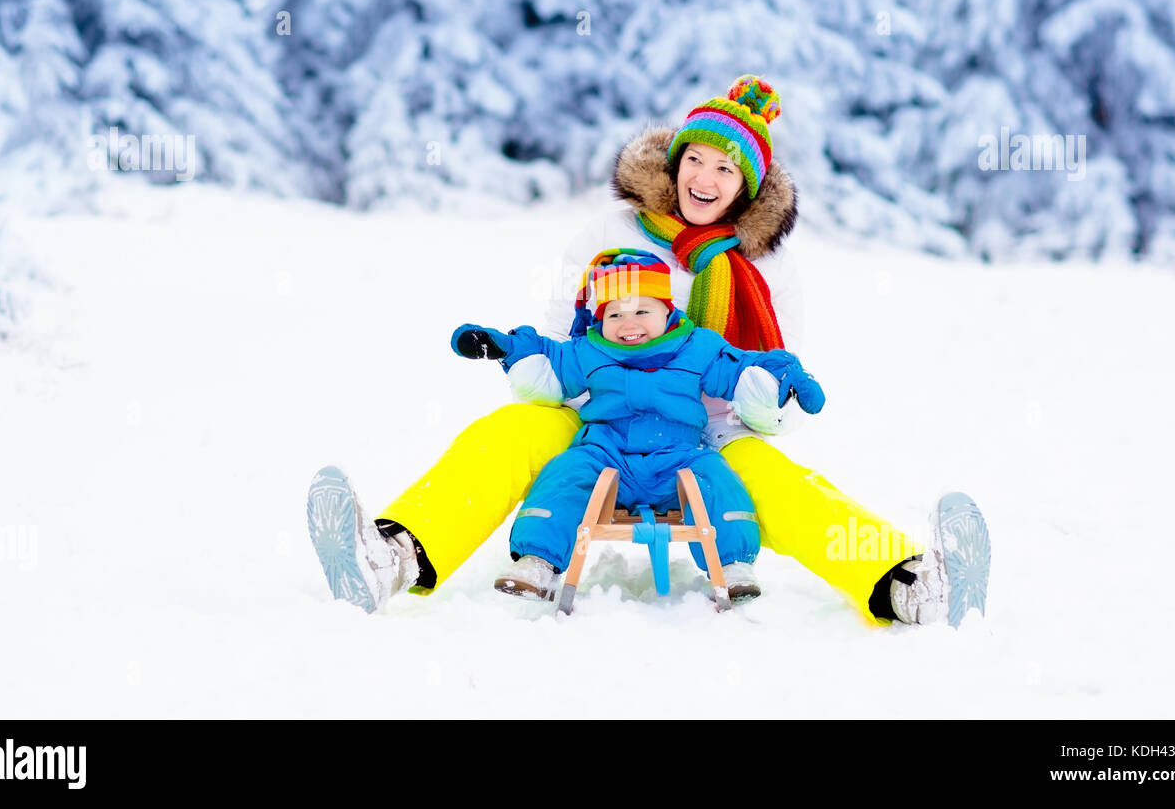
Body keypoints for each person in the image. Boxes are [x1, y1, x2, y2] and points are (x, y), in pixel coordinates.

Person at [306, 74, 948, 626]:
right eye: (697, 158)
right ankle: (392, 557)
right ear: (675, 162)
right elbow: (561, 341)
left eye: (727, 168)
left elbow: (773, 391)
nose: (707, 177)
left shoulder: (766, 270)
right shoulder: (607, 233)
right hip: (595, 418)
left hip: (709, 434)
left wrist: (750, 400)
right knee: (507, 433)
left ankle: (903, 584)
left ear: (745, 187)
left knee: (784, 483)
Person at [449, 249, 825, 602]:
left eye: (642, 311)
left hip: (679, 456)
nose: (628, 324)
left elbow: (739, 368)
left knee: (716, 478)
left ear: (666, 311)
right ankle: (539, 560)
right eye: (614, 315)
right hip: (605, 451)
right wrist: (509, 350)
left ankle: (733, 563)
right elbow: (551, 365)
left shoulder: (698, 347)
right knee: (566, 473)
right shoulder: (589, 349)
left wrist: (779, 376)